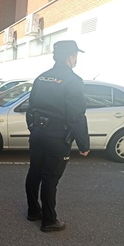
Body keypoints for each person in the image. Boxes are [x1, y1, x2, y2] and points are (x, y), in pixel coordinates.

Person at [25, 40, 90, 232]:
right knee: (50, 178)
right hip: (57, 137)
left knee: (34, 172)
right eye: (75, 56)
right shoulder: (73, 81)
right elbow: (76, 116)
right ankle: (49, 221)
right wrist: (84, 144)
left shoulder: (42, 77)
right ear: (70, 57)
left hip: (38, 133)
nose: (76, 59)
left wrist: (34, 128)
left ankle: (33, 211)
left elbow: (30, 108)